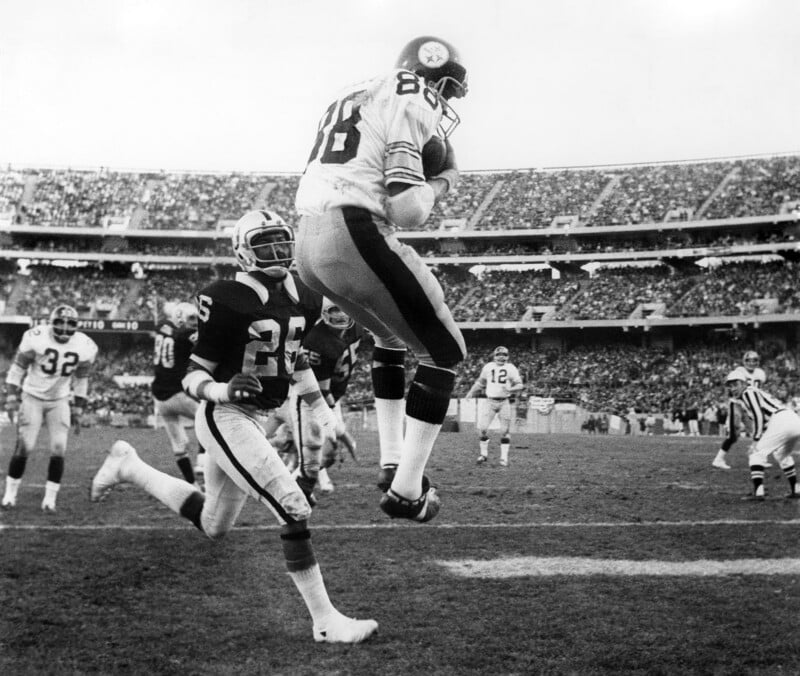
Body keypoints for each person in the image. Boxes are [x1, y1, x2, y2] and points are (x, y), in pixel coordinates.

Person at [90, 210, 377, 643]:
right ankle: (326, 623)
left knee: (214, 524)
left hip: (257, 417)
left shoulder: (305, 296)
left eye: (282, 242)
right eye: (265, 244)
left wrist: (326, 419)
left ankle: (128, 465)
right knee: (294, 506)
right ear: (243, 251)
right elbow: (193, 375)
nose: (277, 252)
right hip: (224, 415)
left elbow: (296, 361)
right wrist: (223, 390)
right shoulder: (225, 298)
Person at [294, 35, 469, 523]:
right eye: (448, 91)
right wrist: (444, 180)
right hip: (354, 230)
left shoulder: (355, 92)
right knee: (445, 352)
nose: (447, 102)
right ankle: (407, 491)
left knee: (389, 337)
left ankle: (391, 460)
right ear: (434, 77)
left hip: (307, 242)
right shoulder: (414, 93)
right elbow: (407, 208)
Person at [2, 305, 98, 512]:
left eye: (70, 324)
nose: (64, 329)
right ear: (51, 322)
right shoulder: (36, 337)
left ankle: (50, 499)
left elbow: (81, 379)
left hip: (59, 400)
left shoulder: (85, 345)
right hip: (32, 397)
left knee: (59, 448)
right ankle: (10, 494)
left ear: (76, 326)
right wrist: (11, 396)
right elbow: (17, 369)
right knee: (25, 447)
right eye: (60, 323)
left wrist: (78, 408)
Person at [291, 297, 363, 499]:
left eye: (342, 309)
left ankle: (299, 484)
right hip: (312, 398)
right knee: (314, 453)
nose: (340, 315)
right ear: (324, 313)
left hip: (333, 395)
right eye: (334, 310)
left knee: (327, 454)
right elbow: (321, 393)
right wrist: (342, 432)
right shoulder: (317, 341)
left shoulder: (357, 327)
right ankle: (293, 489)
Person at [724, 370, 799, 500]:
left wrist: (756, 440)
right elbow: (764, 420)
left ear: (744, 383)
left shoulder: (748, 392)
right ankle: (796, 489)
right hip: (793, 420)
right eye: (730, 386)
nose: (733, 388)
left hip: (781, 419)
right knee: (782, 454)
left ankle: (758, 492)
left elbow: (758, 415)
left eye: (736, 384)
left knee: (756, 453)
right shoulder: (753, 393)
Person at [152, 301, 205, 485]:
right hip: (177, 394)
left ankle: (192, 485)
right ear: (181, 320)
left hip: (159, 398)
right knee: (207, 418)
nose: (195, 322)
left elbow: (166, 323)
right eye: (191, 318)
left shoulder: (162, 327)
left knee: (179, 446)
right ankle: (202, 461)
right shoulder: (186, 335)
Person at [465, 346, 524, 467]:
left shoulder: (511, 368)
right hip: (490, 401)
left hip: (504, 402)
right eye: (499, 355)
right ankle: (484, 454)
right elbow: (480, 382)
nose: (501, 357)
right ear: (494, 356)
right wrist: (471, 392)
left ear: (507, 357)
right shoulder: (488, 367)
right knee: (482, 429)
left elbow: (519, 385)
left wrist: (510, 389)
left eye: (504, 355)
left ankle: (503, 458)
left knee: (504, 431)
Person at [713, 350, 767, 469]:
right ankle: (718, 459)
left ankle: (758, 458)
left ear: (758, 361)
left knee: (758, 433)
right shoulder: (738, 371)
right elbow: (729, 388)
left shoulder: (761, 373)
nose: (751, 363)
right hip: (737, 404)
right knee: (733, 435)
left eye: (754, 360)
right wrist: (726, 402)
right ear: (744, 361)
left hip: (749, 405)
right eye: (749, 360)